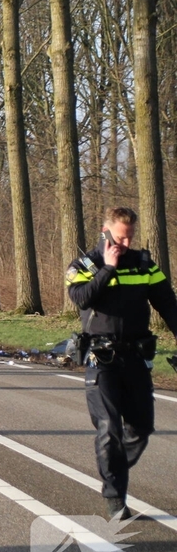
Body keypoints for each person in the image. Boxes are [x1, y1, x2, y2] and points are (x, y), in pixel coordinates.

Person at [66, 207, 177, 520]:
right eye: (119, 237)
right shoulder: (85, 265)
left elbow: (168, 304)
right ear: (105, 232)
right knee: (109, 428)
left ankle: (113, 468)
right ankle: (115, 496)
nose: (125, 243)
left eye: (130, 237)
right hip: (101, 359)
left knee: (141, 428)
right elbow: (81, 298)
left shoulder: (144, 264)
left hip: (136, 357)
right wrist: (108, 269)